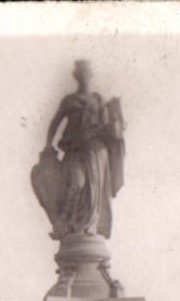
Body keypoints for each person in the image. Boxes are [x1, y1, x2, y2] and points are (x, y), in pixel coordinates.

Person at [34, 60, 125, 240]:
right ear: (77, 77)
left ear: (90, 76)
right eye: (81, 74)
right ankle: (67, 224)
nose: (84, 78)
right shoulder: (70, 101)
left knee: (94, 191)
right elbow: (55, 122)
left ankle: (89, 225)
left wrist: (115, 126)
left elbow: (107, 125)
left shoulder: (97, 100)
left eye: (87, 74)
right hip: (75, 148)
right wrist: (48, 145)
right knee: (77, 183)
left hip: (96, 150)